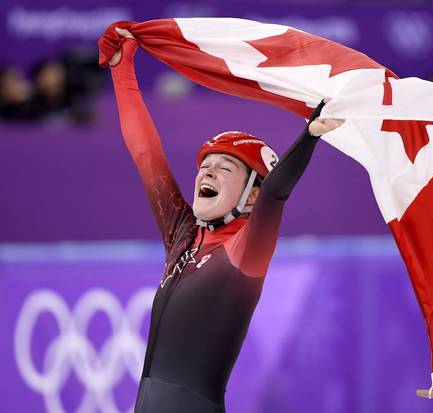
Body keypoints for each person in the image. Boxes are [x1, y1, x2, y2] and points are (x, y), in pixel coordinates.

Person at [108, 27, 343, 413]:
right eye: (204, 166)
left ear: (251, 193)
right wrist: (122, 68)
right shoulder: (183, 234)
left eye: (225, 167)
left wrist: (309, 136)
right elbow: (146, 153)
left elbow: (275, 195)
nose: (207, 174)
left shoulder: (244, 254)